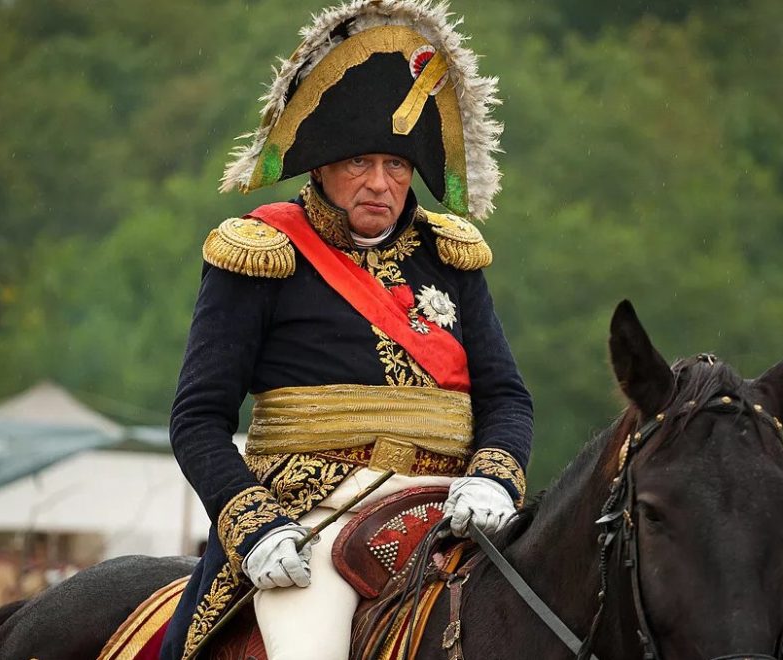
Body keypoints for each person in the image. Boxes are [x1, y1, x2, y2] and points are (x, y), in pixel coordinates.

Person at [159, 2, 532, 659]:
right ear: (321, 164)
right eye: (359, 161)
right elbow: (198, 419)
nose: (380, 184)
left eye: (396, 165)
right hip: (309, 517)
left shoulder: (451, 257)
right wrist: (255, 524)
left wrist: (495, 479)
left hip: (448, 509)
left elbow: (506, 398)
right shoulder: (261, 252)